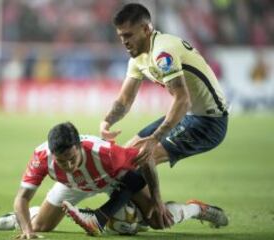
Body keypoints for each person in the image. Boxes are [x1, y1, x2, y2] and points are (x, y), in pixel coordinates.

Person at [97, 3, 229, 230]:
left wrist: (155, 139)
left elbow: (182, 99)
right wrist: (107, 121)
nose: (124, 41)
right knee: (125, 157)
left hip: (209, 121)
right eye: (120, 36)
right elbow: (125, 100)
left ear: (146, 29)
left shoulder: (162, 52)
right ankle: (137, 213)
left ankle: (107, 215)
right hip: (188, 115)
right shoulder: (137, 57)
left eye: (128, 35)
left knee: (140, 157)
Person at [0, 122, 228, 238]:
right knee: (39, 227)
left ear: (79, 147)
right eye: (61, 161)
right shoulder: (42, 157)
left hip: (111, 180)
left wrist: (156, 198)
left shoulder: (105, 154)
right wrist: (27, 231)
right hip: (72, 185)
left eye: (71, 158)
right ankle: (20, 219)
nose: (67, 164)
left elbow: (145, 161)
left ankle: (197, 209)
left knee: (158, 220)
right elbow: (22, 197)